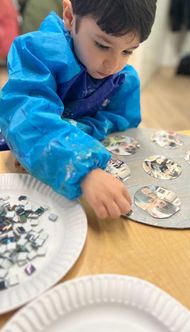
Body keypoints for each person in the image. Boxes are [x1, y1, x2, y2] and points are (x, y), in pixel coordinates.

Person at [0, 0, 157, 219]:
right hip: (16, 159)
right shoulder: (36, 53)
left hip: (73, 168)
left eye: (128, 51)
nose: (113, 64)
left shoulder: (124, 79)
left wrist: (73, 132)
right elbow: (26, 116)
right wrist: (84, 170)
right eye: (103, 45)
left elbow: (122, 127)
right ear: (70, 17)